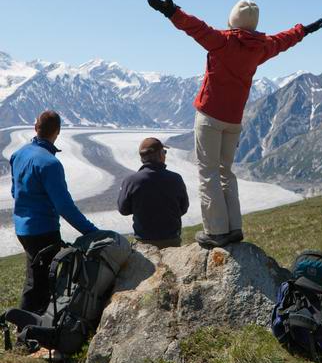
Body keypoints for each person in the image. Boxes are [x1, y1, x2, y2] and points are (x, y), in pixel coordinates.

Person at [147, 0, 322, 248]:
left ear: (233, 20)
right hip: (234, 120)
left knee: (208, 172)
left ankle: (215, 231)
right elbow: (283, 41)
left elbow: (196, 28)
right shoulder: (261, 47)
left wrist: (172, 11)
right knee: (225, 172)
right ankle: (234, 228)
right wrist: (303, 30)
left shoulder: (222, 42)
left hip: (210, 116)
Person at [10, 110, 99, 315]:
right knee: (39, 284)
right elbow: (64, 207)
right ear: (57, 132)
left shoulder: (18, 154)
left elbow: (15, 191)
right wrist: (91, 232)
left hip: (22, 227)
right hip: (43, 230)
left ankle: (32, 328)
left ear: (35, 127)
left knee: (36, 278)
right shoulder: (50, 164)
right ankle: (30, 333)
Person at [118, 137, 189, 248]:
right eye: (164, 152)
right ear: (161, 155)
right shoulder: (176, 179)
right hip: (171, 241)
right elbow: (183, 208)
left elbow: (123, 210)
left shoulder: (131, 181)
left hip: (143, 243)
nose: (165, 155)